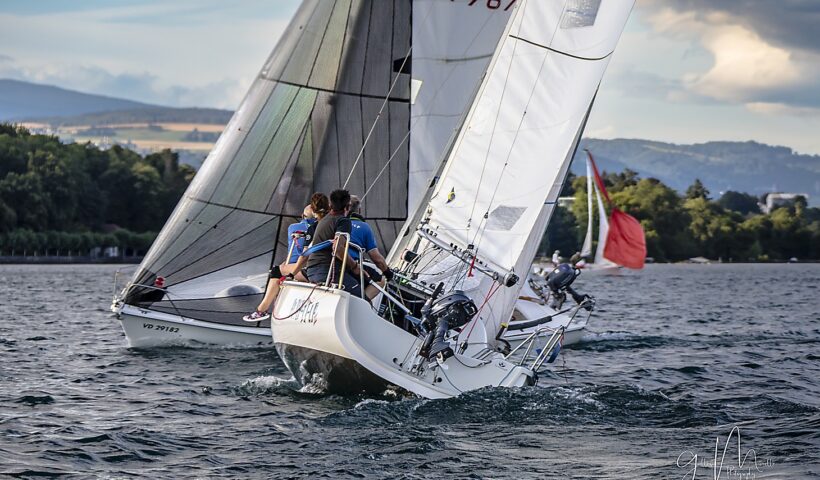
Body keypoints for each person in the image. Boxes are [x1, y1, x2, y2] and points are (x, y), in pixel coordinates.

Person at [243, 193, 329, 322]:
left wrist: (290, 272)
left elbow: (300, 254)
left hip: (307, 267)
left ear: (303, 216)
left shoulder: (295, 228)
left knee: (276, 271)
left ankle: (262, 310)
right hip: (327, 266)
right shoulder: (330, 226)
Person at [290, 189, 366, 298]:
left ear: (331, 205)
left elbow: (306, 252)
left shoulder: (323, 221)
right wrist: (355, 266)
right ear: (347, 207)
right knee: (364, 300)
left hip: (311, 271)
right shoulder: (343, 221)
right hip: (327, 271)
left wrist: (292, 274)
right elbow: (338, 248)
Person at [347, 195, 393, 299]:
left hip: (331, 265)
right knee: (380, 280)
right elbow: (376, 258)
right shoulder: (364, 227)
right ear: (359, 210)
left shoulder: (335, 222)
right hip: (351, 266)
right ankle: (362, 302)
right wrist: (387, 272)